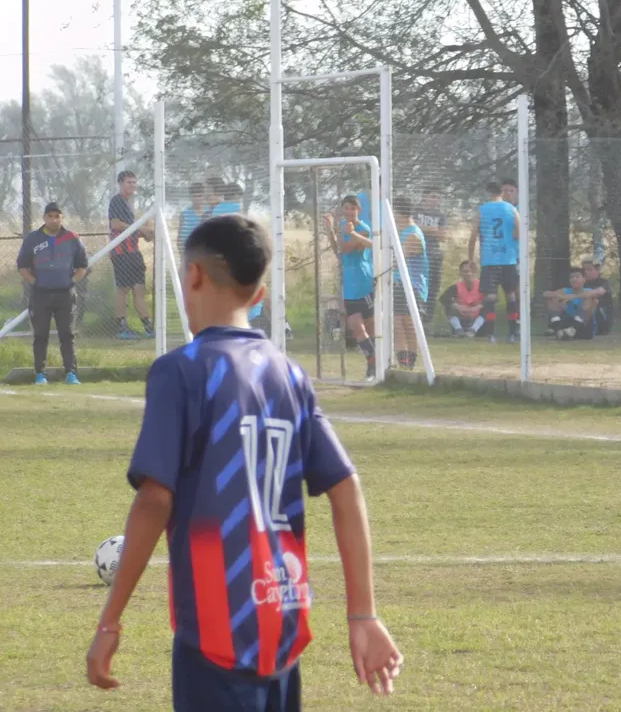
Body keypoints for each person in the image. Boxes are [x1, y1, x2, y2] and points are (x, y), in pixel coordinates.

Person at [84, 215, 403, 708]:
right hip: (282, 618)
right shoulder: (289, 374)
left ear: (192, 275)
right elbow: (346, 488)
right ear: (257, 297)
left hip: (216, 627)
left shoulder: (182, 371)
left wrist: (110, 620)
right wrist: (363, 615)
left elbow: (154, 499)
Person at [16, 202, 88, 385]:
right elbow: (22, 266)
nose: (54, 220)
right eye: (50, 216)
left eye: (57, 216)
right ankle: (40, 374)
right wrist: (36, 282)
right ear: (44, 218)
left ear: (62, 218)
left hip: (65, 295)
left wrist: (71, 282)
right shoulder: (33, 239)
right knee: (41, 335)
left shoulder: (72, 238)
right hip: (40, 296)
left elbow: (82, 266)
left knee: (67, 335)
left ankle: (71, 374)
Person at [326, 195, 377, 379]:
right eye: (345, 208)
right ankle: (373, 362)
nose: (348, 211)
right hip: (348, 283)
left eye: (352, 208)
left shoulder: (363, 229)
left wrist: (348, 233)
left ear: (359, 210)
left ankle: (375, 367)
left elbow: (347, 248)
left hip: (363, 281)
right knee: (355, 325)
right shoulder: (342, 228)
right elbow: (338, 252)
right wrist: (331, 231)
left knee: (370, 327)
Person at [468, 181, 520, 344]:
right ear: (501, 193)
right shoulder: (511, 209)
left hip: (490, 260)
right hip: (508, 259)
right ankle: (512, 333)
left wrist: (470, 259)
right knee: (510, 295)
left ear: (488, 193)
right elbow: (519, 232)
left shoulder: (482, 210)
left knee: (490, 297)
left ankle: (492, 334)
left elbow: (473, 236)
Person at [108, 170, 154, 339]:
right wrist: (140, 229)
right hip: (121, 252)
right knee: (123, 289)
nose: (132, 185)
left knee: (139, 289)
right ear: (121, 184)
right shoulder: (117, 201)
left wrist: (146, 233)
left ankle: (148, 328)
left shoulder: (130, 204)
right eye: (129, 182)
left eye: (134, 182)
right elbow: (116, 224)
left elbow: (130, 229)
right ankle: (121, 328)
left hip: (134, 251)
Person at [392, 198, 429, 369]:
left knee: (409, 322)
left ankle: (411, 362)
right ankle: (403, 361)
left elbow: (397, 259)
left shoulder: (413, 233)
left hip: (412, 286)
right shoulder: (401, 232)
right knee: (397, 322)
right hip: (398, 284)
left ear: (399, 213)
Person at [413, 186, 448, 321]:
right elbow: (413, 229)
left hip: (434, 255)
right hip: (417, 254)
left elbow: (442, 236)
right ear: (425, 197)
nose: (436, 200)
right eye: (433, 196)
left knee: (433, 287)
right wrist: (433, 229)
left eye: (438, 198)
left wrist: (424, 229)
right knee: (418, 285)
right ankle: (416, 316)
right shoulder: (416, 211)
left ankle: (427, 320)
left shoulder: (441, 216)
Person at [543, 268, 606, 340]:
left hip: (584, 327)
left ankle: (573, 329)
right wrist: (561, 297)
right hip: (567, 325)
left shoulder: (589, 291)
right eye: (572, 277)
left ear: (584, 279)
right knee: (553, 298)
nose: (574, 279)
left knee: (592, 300)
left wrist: (573, 297)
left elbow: (597, 293)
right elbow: (546, 294)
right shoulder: (565, 291)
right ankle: (558, 329)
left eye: (577, 277)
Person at [439, 260, 485, 337]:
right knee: (448, 307)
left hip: (477, 316)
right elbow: (443, 299)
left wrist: (477, 307)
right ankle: (458, 330)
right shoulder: (456, 287)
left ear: (476, 272)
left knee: (489, 307)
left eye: (472, 271)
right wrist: (458, 307)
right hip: (461, 316)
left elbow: (491, 300)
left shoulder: (483, 286)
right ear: (461, 273)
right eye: (465, 271)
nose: (469, 274)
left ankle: (473, 330)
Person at [581, 258, 614, 335]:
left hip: (602, 320)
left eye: (589, 269)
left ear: (597, 271)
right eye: (583, 270)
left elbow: (599, 292)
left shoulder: (604, 283)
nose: (585, 272)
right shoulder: (582, 284)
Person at [178, 182, 207, 250]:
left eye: (199, 196)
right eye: (194, 196)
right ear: (191, 197)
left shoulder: (209, 212)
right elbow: (180, 239)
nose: (197, 199)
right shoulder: (185, 214)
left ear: (203, 196)